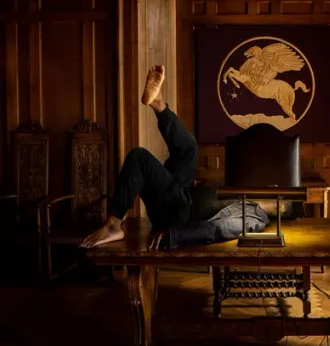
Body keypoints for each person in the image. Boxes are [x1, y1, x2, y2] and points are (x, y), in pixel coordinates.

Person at [82, 65, 268, 249]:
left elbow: (217, 229)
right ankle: (159, 105)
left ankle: (114, 224)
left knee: (140, 157)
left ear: (282, 208)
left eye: (281, 199)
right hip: (184, 195)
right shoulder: (246, 195)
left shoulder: (256, 217)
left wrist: (175, 235)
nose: (272, 189)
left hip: (178, 215)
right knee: (189, 148)